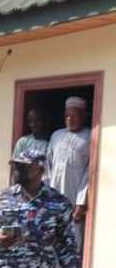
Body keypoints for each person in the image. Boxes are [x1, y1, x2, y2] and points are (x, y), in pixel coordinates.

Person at [46, 96, 90, 249]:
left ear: (84, 115)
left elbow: (89, 172)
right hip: (52, 198)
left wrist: (80, 202)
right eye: (66, 116)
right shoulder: (56, 135)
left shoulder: (90, 136)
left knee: (73, 241)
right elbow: (47, 166)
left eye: (74, 115)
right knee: (51, 238)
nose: (69, 119)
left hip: (73, 199)